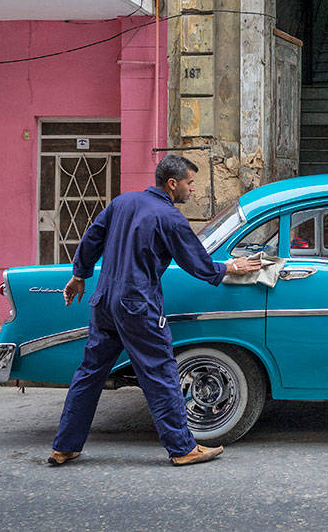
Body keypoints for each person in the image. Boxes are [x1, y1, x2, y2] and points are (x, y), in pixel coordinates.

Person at [47, 153, 261, 467]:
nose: (192, 190)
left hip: (104, 300)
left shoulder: (123, 202)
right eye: (189, 183)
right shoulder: (169, 216)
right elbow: (196, 263)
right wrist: (230, 266)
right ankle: (182, 449)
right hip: (138, 305)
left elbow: (92, 235)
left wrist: (80, 275)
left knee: (89, 374)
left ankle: (64, 447)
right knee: (161, 374)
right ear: (172, 183)